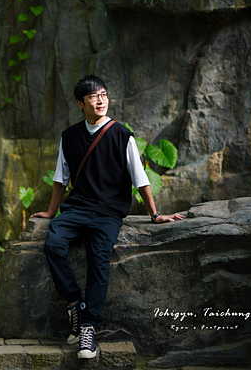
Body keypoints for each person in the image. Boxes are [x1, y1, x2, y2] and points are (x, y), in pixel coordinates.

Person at [31, 75, 183, 359]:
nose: (100, 100)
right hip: (76, 208)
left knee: (98, 259)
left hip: (108, 211)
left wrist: (155, 214)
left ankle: (88, 328)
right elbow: (60, 179)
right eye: (93, 96)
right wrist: (51, 212)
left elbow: (140, 179)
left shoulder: (122, 135)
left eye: (103, 94)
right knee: (53, 243)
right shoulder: (70, 136)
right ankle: (75, 303)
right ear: (80, 103)